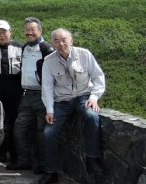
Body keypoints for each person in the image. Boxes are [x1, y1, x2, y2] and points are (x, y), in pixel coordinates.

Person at [39, 28, 106, 184]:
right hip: (61, 101)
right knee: (49, 133)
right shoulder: (49, 61)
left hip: (82, 96)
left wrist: (94, 97)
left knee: (92, 116)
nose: (61, 44)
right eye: (56, 40)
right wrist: (49, 110)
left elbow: (98, 77)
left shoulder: (84, 54)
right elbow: (47, 87)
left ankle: (92, 159)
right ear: (52, 43)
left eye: (64, 40)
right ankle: (51, 172)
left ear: (71, 40)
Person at [7, 17, 54, 174]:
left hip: (43, 95)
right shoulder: (25, 48)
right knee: (19, 129)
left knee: (41, 132)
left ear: (40, 31)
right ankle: (23, 161)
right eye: (27, 30)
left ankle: (42, 164)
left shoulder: (46, 48)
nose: (29, 33)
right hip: (26, 94)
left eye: (32, 30)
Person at [0, 20, 23, 163]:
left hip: (16, 92)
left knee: (15, 123)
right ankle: (0, 152)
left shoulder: (20, 48)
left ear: (10, 32)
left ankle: (15, 154)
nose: (1, 35)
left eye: (4, 32)